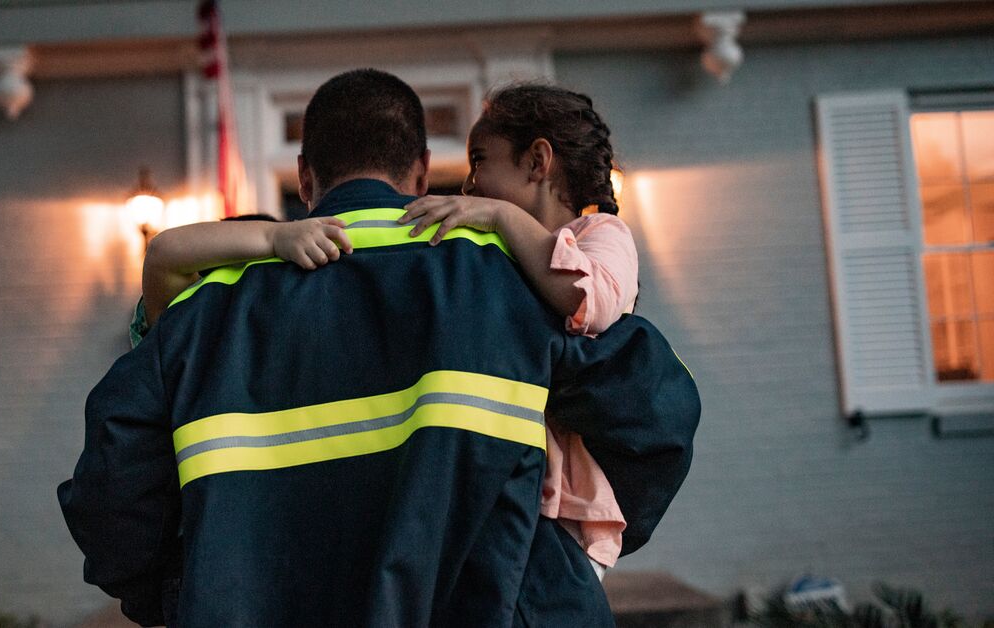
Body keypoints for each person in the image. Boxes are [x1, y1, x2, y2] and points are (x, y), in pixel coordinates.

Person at [59, 68, 699, 627]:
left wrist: (185, 593)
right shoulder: (512, 274)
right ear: (421, 172)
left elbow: (113, 490)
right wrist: (555, 564)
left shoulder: (206, 304)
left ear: (305, 177)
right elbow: (655, 413)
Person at [137, 83, 636, 578]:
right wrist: (272, 235)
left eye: (479, 161)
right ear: (422, 173)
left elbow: (588, 298)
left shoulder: (586, 241)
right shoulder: (485, 272)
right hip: (499, 543)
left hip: (560, 516)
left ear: (304, 179)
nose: (467, 189)